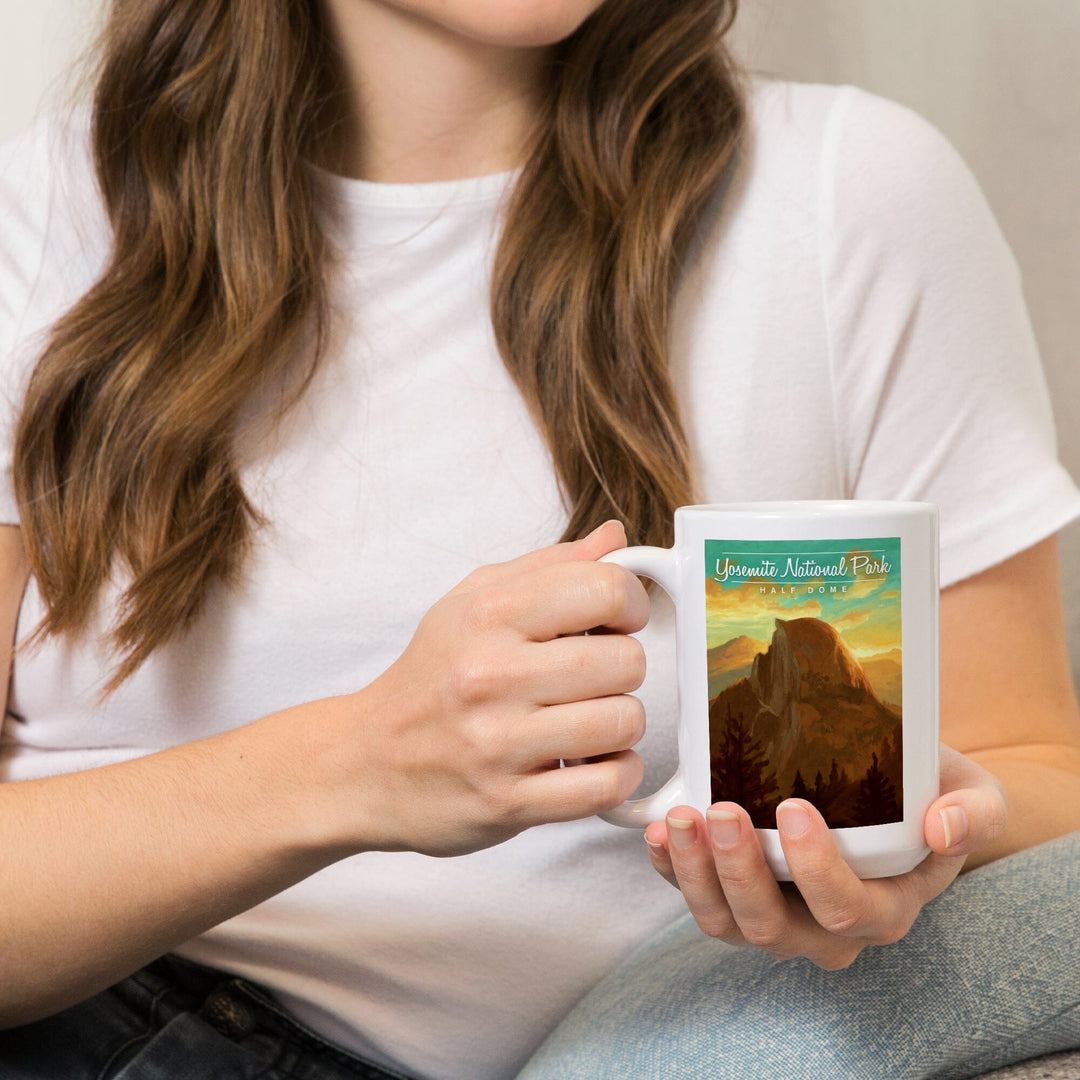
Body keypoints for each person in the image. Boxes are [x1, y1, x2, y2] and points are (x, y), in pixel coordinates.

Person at [0, 1, 1078, 1078]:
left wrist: (929, 848)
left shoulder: (854, 196)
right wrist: (360, 764)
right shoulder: (38, 220)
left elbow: (1034, 768)